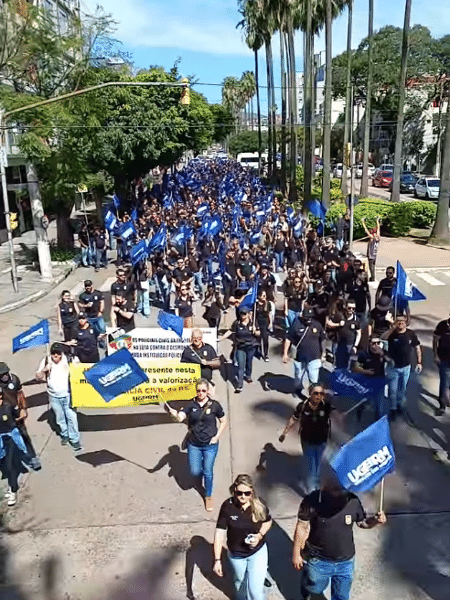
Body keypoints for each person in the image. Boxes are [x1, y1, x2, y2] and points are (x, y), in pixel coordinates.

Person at [292, 471, 387, 600]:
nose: (337, 488)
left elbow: (362, 523)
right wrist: (296, 553)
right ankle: (306, 582)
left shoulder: (352, 501)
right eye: (333, 483)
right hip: (318, 560)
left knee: (341, 597)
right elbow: (302, 527)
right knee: (315, 588)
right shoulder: (312, 500)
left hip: (345, 562)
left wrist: (375, 520)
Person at [165, 379, 227, 512]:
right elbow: (180, 417)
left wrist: (217, 437)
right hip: (194, 444)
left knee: (208, 471)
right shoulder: (190, 405)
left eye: (203, 390)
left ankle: (208, 496)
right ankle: (200, 476)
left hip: (210, 445)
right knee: (195, 471)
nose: (201, 393)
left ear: (208, 391)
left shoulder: (215, 405)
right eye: (198, 390)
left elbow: (223, 421)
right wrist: (174, 414)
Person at [213, 474, 272, 600]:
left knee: (255, 592)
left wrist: (260, 535)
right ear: (234, 490)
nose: (243, 497)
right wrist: (217, 560)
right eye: (239, 493)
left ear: (252, 492)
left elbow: (268, 521)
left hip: (257, 552)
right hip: (236, 555)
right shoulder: (227, 507)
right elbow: (219, 533)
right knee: (240, 584)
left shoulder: (259, 505)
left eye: (247, 493)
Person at [279, 384, 334, 493]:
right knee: (311, 466)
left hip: (322, 441)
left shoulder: (326, 406)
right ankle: (312, 492)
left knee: (317, 465)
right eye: (316, 393)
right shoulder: (303, 406)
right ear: (310, 394)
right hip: (307, 441)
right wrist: (284, 433)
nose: (318, 396)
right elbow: (293, 419)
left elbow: (337, 416)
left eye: (321, 393)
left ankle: (316, 487)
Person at [36, 344, 82, 452]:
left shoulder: (70, 359)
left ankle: (74, 439)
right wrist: (44, 371)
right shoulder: (46, 361)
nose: (56, 356)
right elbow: (38, 377)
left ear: (62, 353)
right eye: (53, 353)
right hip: (53, 396)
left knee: (72, 417)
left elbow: (81, 370)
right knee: (59, 418)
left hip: (68, 394)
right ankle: (64, 434)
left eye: (58, 353)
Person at [0, 362, 40, 471]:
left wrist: (23, 409)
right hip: (2, 413)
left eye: (5, 373)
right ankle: (2, 458)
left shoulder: (14, 379)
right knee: (2, 439)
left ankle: (32, 458)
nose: (4, 376)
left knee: (24, 435)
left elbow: (20, 395)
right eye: (1, 375)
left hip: (15, 411)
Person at [382, 315, 422, 420]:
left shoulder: (410, 334)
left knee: (402, 388)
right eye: (398, 322)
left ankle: (399, 405)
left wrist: (419, 362)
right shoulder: (392, 334)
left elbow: (417, 347)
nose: (401, 323)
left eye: (402, 321)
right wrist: (392, 327)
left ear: (406, 322)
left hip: (406, 367)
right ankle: (393, 409)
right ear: (396, 323)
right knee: (393, 390)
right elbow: (383, 338)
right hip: (393, 367)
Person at [283, 307, 325, 395]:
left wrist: (323, 353)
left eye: (310, 317)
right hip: (300, 357)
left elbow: (323, 339)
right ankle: (298, 389)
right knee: (298, 377)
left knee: (314, 380)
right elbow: (288, 339)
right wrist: (285, 353)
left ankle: (312, 398)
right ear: (302, 316)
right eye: (307, 317)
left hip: (314, 357)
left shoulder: (317, 325)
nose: (308, 319)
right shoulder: (296, 324)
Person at [0, 388, 31, 507]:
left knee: (9, 465)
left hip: (10, 438)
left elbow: (20, 415)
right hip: (0, 440)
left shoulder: (7, 407)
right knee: (3, 466)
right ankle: (11, 486)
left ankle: (13, 490)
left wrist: (22, 414)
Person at [219, 307, 259, 393]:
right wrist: (221, 338)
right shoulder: (237, 323)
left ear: (248, 314)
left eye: (244, 314)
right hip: (241, 346)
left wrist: (255, 331)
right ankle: (239, 385)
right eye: (241, 313)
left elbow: (259, 334)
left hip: (251, 346)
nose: (242, 315)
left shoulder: (253, 323)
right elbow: (230, 331)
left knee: (249, 362)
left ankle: (248, 375)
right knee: (241, 365)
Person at [328, 300, 361, 369]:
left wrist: (355, 346)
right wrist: (338, 324)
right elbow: (328, 323)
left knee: (347, 366)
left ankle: (345, 378)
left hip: (349, 345)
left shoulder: (356, 320)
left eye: (353, 309)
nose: (351, 310)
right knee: (337, 364)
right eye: (349, 308)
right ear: (345, 307)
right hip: (338, 343)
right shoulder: (339, 316)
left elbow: (358, 333)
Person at [433, 311, 450, 416]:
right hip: (443, 358)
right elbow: (435, 340)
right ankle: (442, 406)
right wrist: (435, 355)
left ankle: (445, 398)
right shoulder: (442, 325)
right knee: (444, 383)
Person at [361, 215, 381, 282]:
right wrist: (377, 221)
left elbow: (366, 231)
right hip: (374, 255)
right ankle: (373, 277)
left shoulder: (372, 239)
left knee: (371, 267)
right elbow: (378, 229)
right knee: (372, 266)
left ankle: (372, 278)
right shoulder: (377, 239)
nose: (375, 235)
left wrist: (363, 223)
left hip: (371, 255)